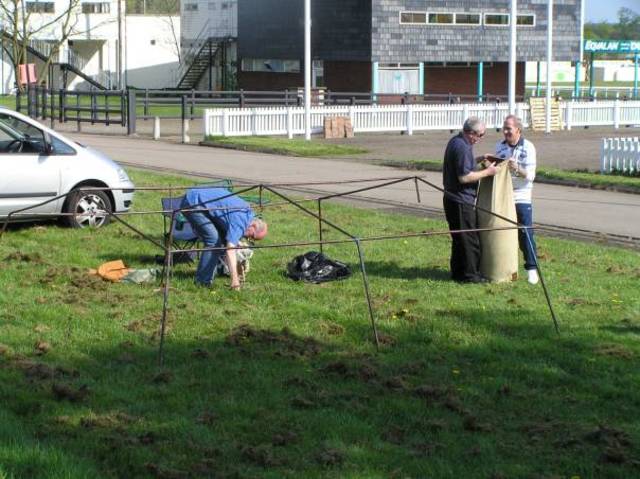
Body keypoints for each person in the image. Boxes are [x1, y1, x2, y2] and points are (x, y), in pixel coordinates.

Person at [442, 117, 498, 283]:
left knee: (459, 239)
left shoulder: (456, 141)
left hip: (451, 199)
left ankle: (458, 272)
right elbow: (464, 177)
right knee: (469, 239)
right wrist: (488, 173)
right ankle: (471, 275)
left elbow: (462, 165)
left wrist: (479, 159)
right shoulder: (463, 148)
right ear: (471, 133)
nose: (480, 138)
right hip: (461, 200)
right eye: (480, 135)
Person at [180, 187, 268, 289]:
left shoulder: (248, 215)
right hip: (193, 202)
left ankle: (210, 275)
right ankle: (202, 282)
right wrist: (235, 281)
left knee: (222, 240)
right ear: (253, 226)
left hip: (201, 201)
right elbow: (230, 249)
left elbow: (230, 243)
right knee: (214, 241)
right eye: (252, 236)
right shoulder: (240, 221)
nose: (249, 239)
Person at [494, 115, 539, 284]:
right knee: (501, 230)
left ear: (518, 130)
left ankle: (532, 268)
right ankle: (502, 266)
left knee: (525, 231)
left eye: (508, 129)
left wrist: (518, 169)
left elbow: (531, 176)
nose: (505, 132)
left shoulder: (529, 147)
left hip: (522, 195)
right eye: (504, 128)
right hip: (504, 194)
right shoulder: (499, 146)